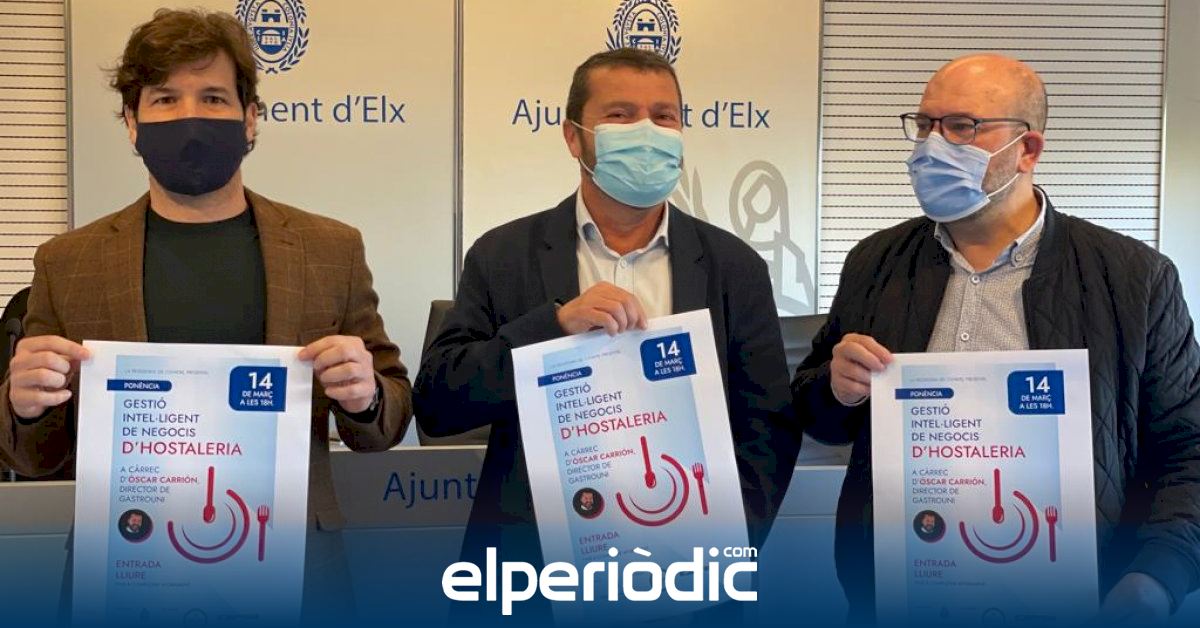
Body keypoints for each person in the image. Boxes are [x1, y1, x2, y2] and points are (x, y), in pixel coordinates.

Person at [0, 8, 412, 619]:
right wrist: (25, 405)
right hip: (124, 563)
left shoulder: (330, 249)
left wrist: (365, 395)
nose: (189, 117)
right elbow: (34, 456)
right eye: (165, 99)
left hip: (294, 568)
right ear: (132, 122)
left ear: (250, 119)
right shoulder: (69, 261)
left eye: (214, 97)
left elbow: (389, 419)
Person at [792, 54, 1200, 623]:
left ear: (1027, 150)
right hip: (899, 594)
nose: (932, 146)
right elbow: (819, 416)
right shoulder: (875, 262)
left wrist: (1156, 578)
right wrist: (836, 389)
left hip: (1075, 601)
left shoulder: (1135, 280)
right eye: (925, 124)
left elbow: (1187, 450)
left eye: (962, 127)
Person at [414, 46, 799, 592]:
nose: (646, 131)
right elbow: (437, 403)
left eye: (663, 116)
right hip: (532, 577)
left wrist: (726, 544)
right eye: (620, 115)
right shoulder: (503, 255)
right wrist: (551, 328)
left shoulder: (733, 267)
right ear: (574, 137)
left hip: (687, 575)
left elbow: (768, 427)